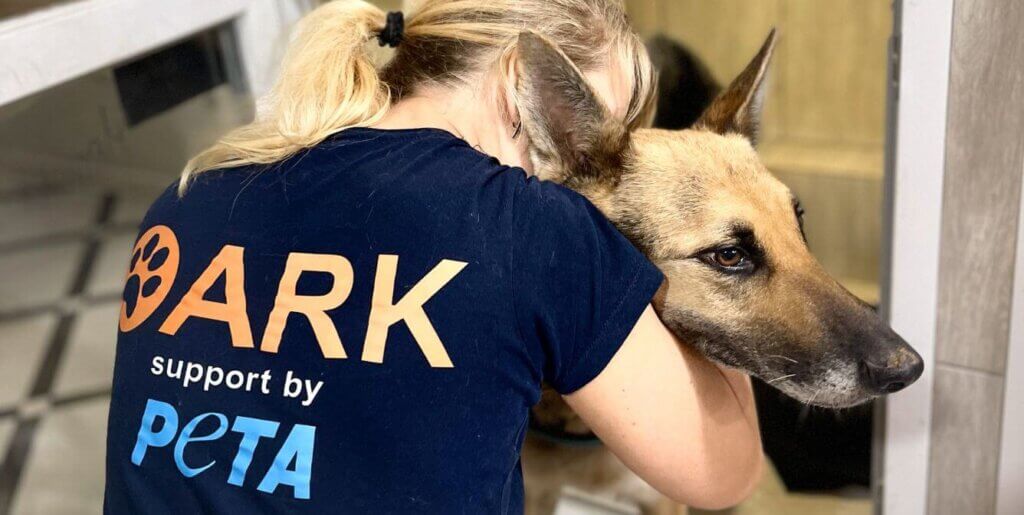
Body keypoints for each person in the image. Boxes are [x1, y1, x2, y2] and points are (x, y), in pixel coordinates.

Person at [103, 1, 762, 513]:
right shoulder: (530, 226)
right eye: (583, 144)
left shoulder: (188, 197)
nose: (593, 186)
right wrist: (734, 205)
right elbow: (722, 469)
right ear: (520, 85)